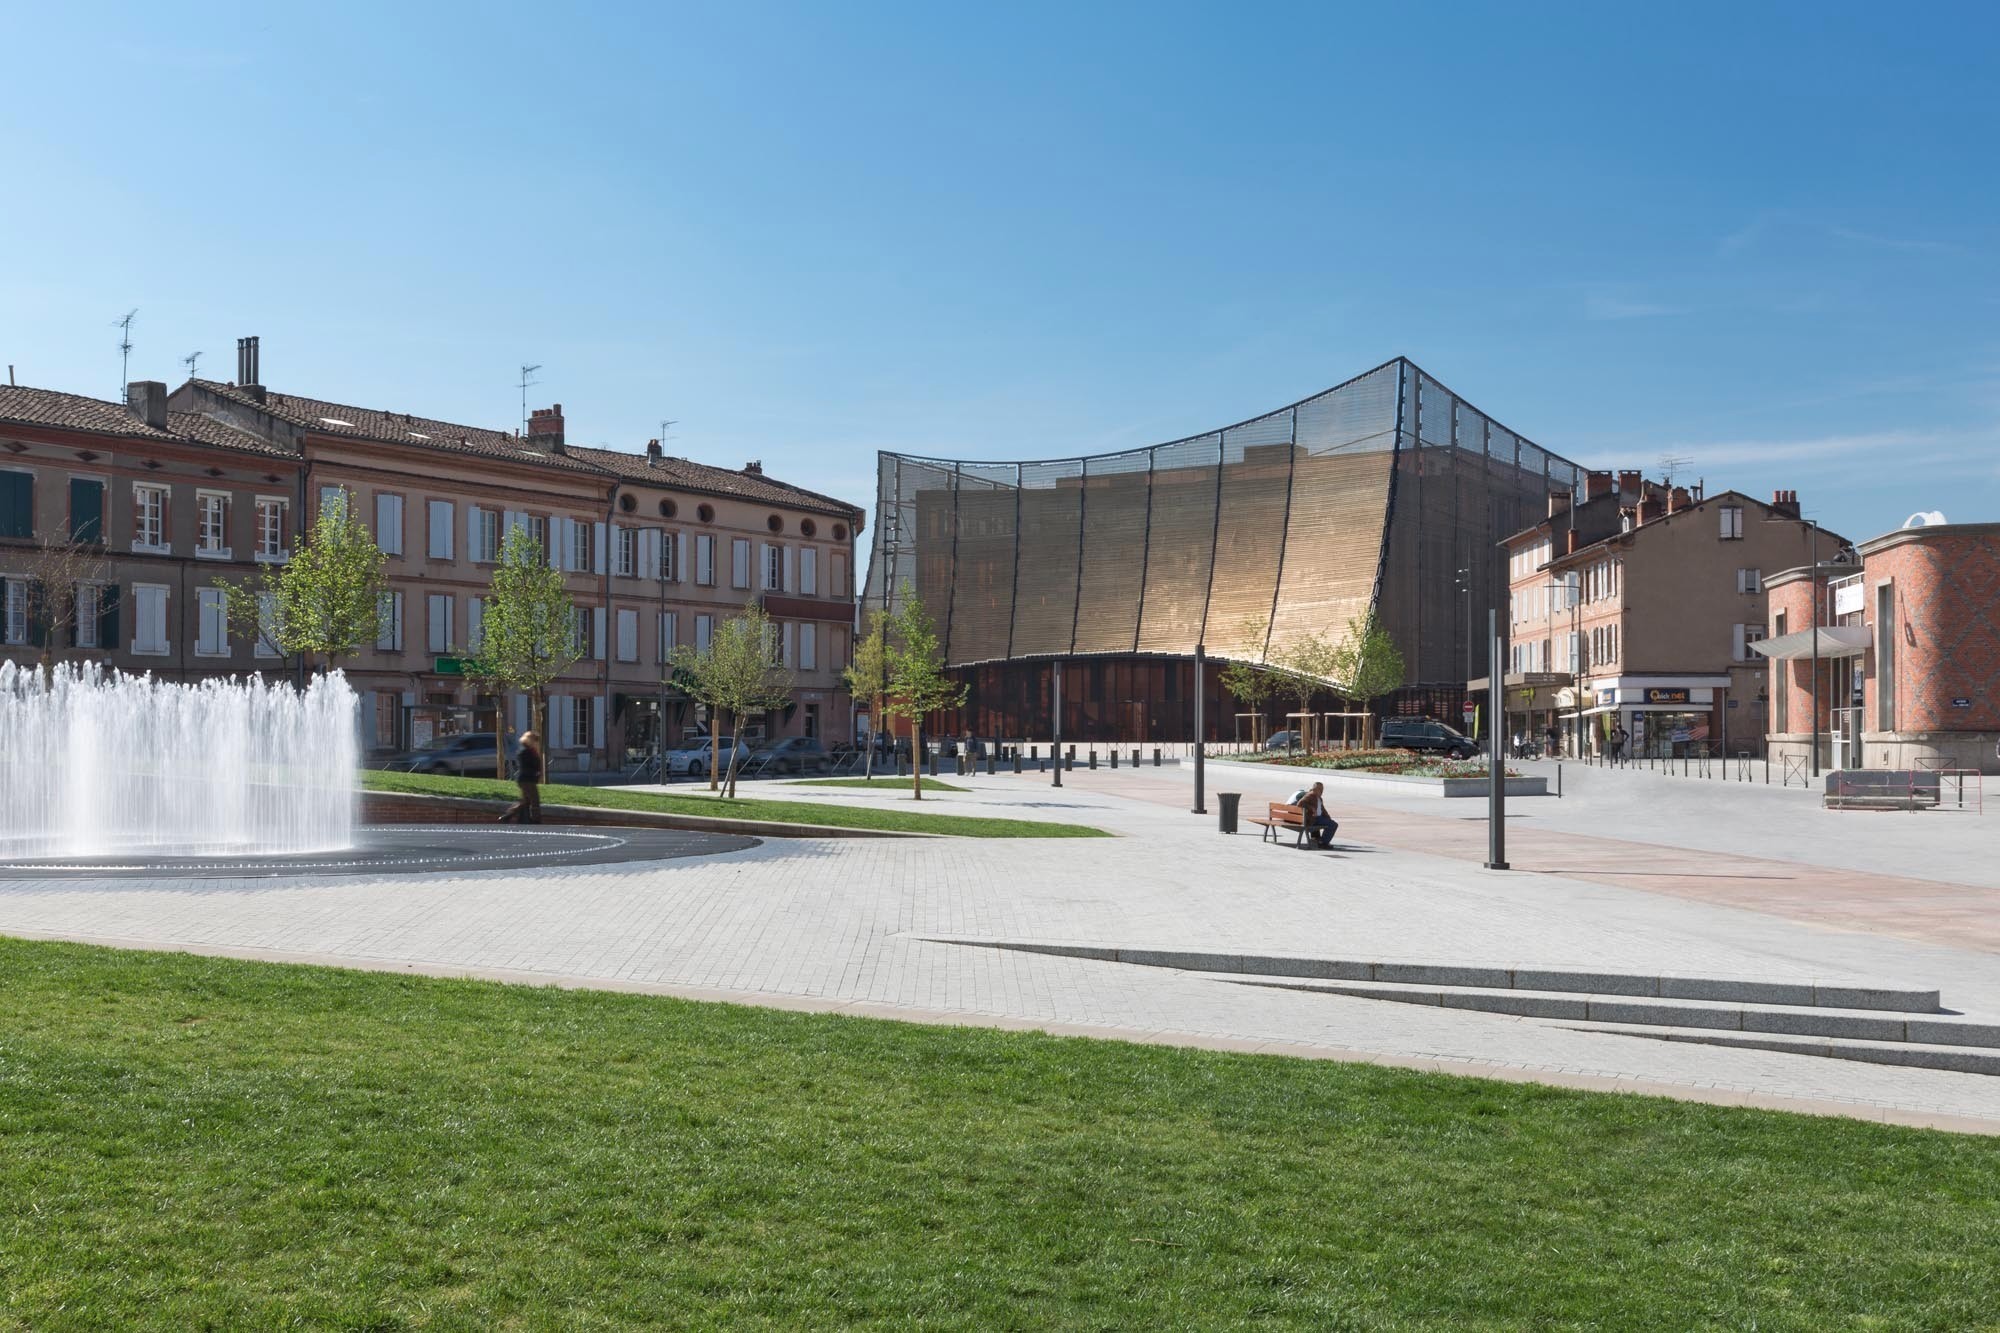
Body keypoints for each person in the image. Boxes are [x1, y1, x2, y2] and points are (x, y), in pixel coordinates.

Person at [501, 730, 544, 824]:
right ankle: (536, 820)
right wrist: (535, 772)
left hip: (528, 779)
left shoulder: (531, 751)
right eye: (535, 740)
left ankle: (506, 816)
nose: (536, 742)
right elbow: (527, 766)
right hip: (526, 779)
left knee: (524, 801)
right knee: (535, 799)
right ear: (530, 740)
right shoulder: (524, 751)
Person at [1295, 781, 1339, 849]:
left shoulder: (1319, 798)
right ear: (1314, 789)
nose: (1322, 791)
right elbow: (1300, 804)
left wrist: (1328, 818)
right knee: (1333, 825)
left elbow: (1323, 810)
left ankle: (1321, 841)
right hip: (1314, 819)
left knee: (1332, 823)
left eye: (1322, 789)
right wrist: (1311, 808)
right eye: (1320, 789)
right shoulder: (1310, 795)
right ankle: (1323, 843)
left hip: (1318, 818)